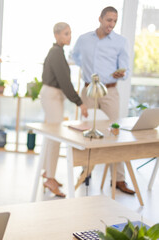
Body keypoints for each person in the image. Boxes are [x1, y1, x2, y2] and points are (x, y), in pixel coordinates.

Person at [72, 6, 135, 194]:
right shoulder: (83, 40)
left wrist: (120, 73)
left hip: (110, 92)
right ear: (100, 19)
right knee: (87, 132)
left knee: (115, 132)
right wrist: (86, 67)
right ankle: (86, 172)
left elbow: (126, 69)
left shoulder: (120, 42)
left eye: (115, 21)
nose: (112, 24)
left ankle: (119, 179)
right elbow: (75, 57)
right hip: (89, 91)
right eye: (109, 20)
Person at [40, 22, 88, 197]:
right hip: (52, 96)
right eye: (66, 34)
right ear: (57, 35)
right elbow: (65, 83)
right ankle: (50, 178)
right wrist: (80, 102)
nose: (69, 36)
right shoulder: (56, 53)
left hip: (51, 95)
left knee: (51, 135)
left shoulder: (57, 52)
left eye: (70, 33)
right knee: (55, 137)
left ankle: (47, 172)